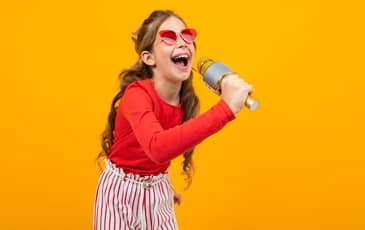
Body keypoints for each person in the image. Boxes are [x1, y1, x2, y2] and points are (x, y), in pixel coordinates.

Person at [93, 9, 252, 230]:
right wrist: (225, 109)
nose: (182, 43)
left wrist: (159, 187)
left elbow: (165, 149)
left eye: (186, 35)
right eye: (169, 37)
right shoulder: (136, 95)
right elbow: (157, 147)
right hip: (120, 195)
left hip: (157, 190)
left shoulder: (184, 100)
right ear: (148, 58)